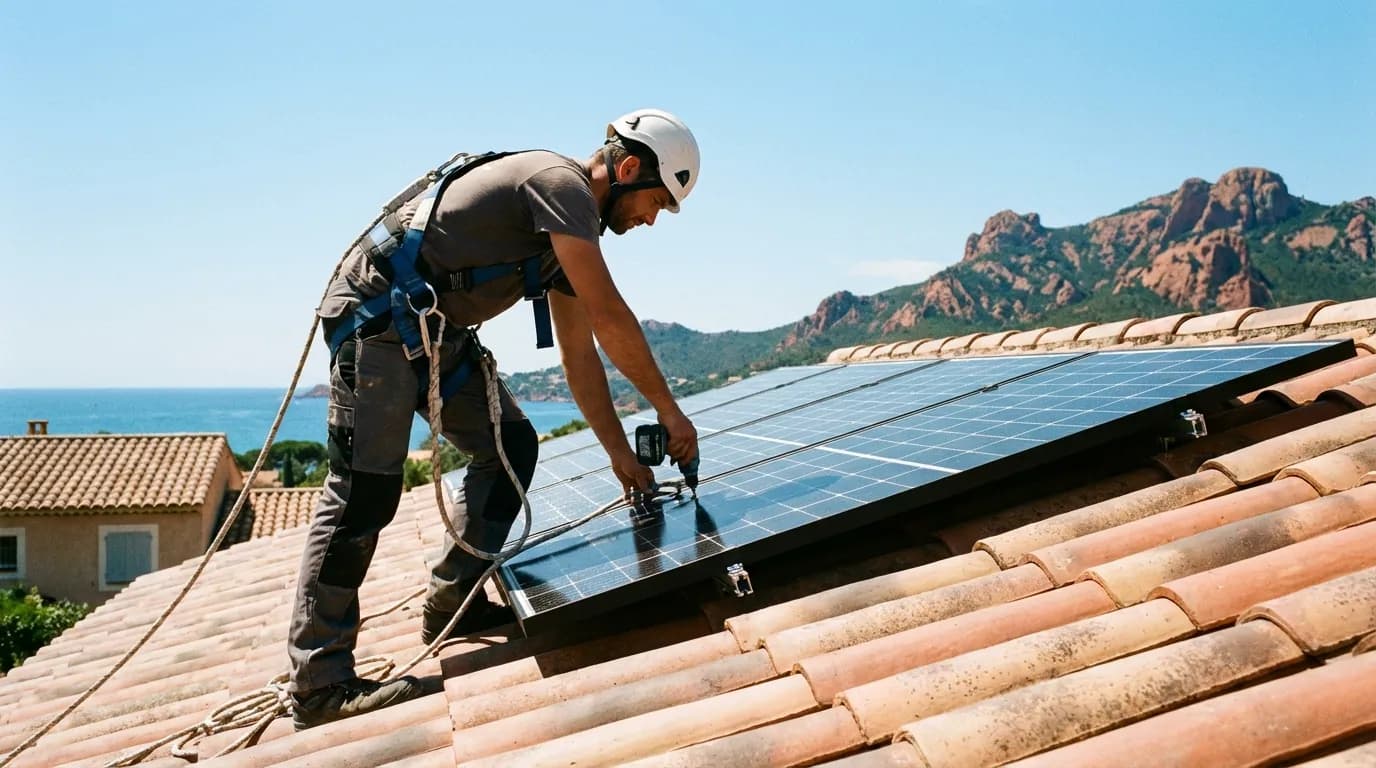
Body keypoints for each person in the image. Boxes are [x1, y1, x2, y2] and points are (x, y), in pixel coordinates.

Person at [286, 109, 702, 729]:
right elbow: (612, 317)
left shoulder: (565, 233)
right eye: (655, 204)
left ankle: (451, 601)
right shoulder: (560, 188)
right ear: (629, 168)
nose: (649, 221)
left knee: (510, 443)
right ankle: (320, 684)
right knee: (364, 495)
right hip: (377, 320)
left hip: (432, 330)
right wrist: (671, 413)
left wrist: (619, 453)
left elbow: (580, 354)